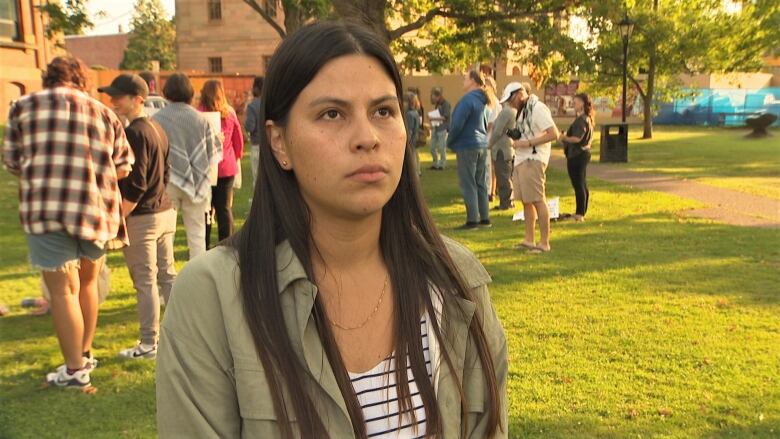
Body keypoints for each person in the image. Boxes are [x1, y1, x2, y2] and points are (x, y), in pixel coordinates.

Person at [156, 22, 507, 439]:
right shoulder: (213, 295)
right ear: (279, 142)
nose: (366, 137)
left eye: (383, 111)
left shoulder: (455, 279)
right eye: (332, 114)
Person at [2, 56, 133, 389]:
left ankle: (74, 370)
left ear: (48, 78)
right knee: (87, 285)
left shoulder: (22, 107)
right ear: (82, 79)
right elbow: (123, 166)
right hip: (95, 211)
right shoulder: (104, 112)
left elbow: (13, 162)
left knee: (62, 292)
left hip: (46, 209)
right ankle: (84, 354)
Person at [98, 74, 177, 359]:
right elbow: (166, 173)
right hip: (164, 212)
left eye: (118, 97)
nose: (113, 101)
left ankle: (148, 344)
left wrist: (118, 218)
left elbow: (137, 183)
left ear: (138, 100)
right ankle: (182, 335)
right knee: (167, 277)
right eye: (112, 96)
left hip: (144, 216)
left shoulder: (136, 132)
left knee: (146, 282)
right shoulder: (157, 128)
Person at [153, 73, 222, 259]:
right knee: (197, 234)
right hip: (198, 181)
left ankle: (167, 278)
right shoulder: (201, 119)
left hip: (167, 181)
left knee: (167, 233)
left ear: (166, 92)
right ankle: (198, 278)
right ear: (190, 92)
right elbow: (213, 153)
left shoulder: (157, 119)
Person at [507, 82, 560, 253]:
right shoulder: (523, 112)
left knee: (538, 199)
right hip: (521, 159)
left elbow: (554, 134)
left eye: (511, 100)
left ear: (519, 94)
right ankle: (529, 239)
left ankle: (544, 243)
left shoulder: (537, 108)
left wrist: (528, 143)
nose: (510, 104)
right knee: (526, 201)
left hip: (534, 159)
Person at [198, 80, 244, 248]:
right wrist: (236, 156)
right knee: (224, 208)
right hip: (226, 165)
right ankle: (227, 243)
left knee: (205, 208)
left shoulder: (198, 113)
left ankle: (204, 243)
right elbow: (238, 139)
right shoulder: (229, 113)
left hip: (205, 167)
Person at [447, 70, 495, 229]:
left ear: (473, 81)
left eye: (465, 78)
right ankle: (485, 219)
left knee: (468, 183)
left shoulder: (467, 100)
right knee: (481, 183)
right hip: (481, 144)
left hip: (468, 144)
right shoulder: (484, 100)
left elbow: (457, 124)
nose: (463, 81)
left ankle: (472, 220)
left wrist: (450, 141)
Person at [559, 93, 594, 222]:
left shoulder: (582, 120)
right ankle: (581, 211)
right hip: (580, 153)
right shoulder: (585, 118)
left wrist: (564, 137)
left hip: (578, 155)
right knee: (581, 183)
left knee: (578, 183)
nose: (574, 103)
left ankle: (580, 213)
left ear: (583, 103)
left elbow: (577, 138)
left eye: (576, 101)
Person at [488, 85, 519, 210]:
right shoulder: (512, 111)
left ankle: (506, 203)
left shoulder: (506, 112)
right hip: (507, 148)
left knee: (503, 177)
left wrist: (489, 144)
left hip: (502, 148)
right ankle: (505, 201)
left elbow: (497, 131)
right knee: (505, 176)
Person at [244, 76, 264, 188]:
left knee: (257, 179)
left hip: (257, 145)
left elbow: (250, 126)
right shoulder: (270, 103)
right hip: (271, 145)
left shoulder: (252, 106)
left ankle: (260, 204)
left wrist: (245, 124)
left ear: (256, 88)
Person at [485, 76, 501, 204]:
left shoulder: (495, 103)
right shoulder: (488, 102)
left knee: (490, 166)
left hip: (490, 137)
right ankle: (491, 190)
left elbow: (491, 123)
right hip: (489, 137)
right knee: (489, 166)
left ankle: (491, 191)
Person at [428, 87, 451, 170]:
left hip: (443, 129)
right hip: (436, 128)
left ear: (439, 96)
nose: (434, 99)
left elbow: (445, 117)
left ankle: (442, 164)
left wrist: (433, 119)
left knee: (442, 147)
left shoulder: (446, 104)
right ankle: (435, 163)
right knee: (432, 147)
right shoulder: (438, 104)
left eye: (435, 97)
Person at [404, 91, 422, 176]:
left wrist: (407, 140)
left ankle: (414, 172)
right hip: (416, 137)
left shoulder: (409, 114)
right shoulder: (416, 113)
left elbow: (409, 130)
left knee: (412, 155)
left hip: (411, 138)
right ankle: (417, 171)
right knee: (416, 154)